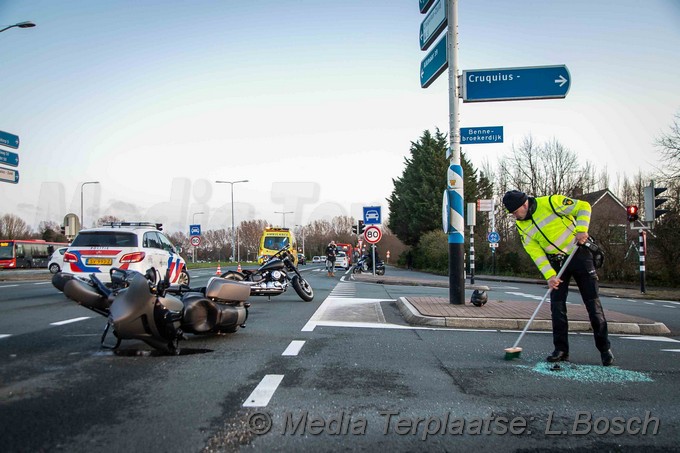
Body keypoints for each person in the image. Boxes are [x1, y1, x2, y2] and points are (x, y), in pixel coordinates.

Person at [502, 190, 614, 366]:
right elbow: (535, 252)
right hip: (557, 262)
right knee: (557, 306)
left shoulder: (552, 202)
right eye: (512, 214)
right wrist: (550, 276)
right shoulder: (521, 225)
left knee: (592, 303)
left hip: (578, 254)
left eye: (516, 212)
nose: (515, 216)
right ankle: (561, 350)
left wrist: (581, 229)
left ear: (524, 204)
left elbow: (584, 207)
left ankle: (604, 349)